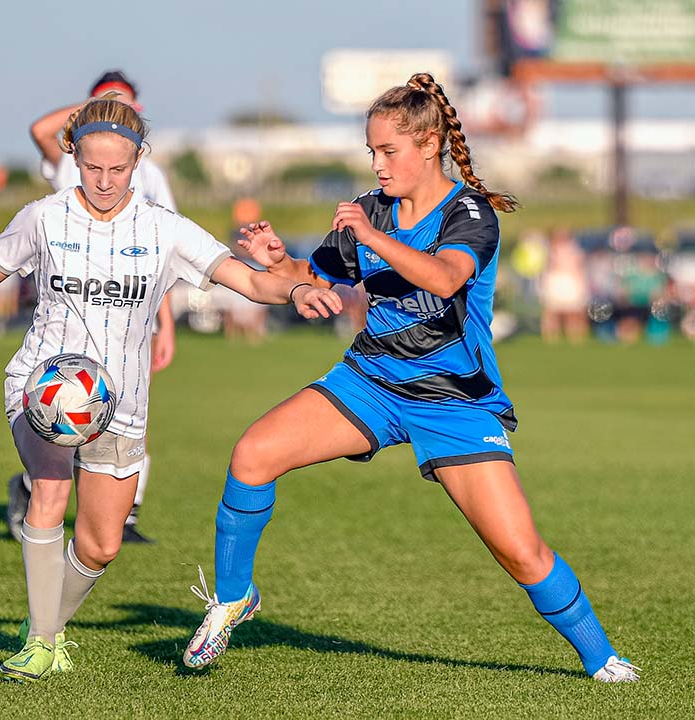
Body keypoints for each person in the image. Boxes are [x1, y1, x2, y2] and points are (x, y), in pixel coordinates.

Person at [181, 73, 638, 683]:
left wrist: (373, 237)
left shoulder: (469, 213)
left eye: (388, 150)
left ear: (428, 145)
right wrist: (279, 260)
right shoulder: (371, 209)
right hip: (370, 382)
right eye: (371, 151)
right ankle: (233, 600)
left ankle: (602, 658)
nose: (377, 164)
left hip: (454, 402)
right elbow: (315, 277)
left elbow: (445, 278)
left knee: (520, 552)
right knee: (253, 454)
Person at [0, 96, 341, 682]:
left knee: (101, 545)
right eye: (92, 167)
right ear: (73, 158)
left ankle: (47, 624)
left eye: (118, 168)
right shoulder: (43, 217)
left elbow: (248, 281)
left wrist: (295, 290)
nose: (104, 181)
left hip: (122, 404)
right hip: (43, 387)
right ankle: (40, 641)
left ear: (138, 162)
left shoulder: (164, 229)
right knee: (49, 494)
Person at [9, 70, 177, 544]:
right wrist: (95, 108)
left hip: (126, 311)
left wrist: (165, 325)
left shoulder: (149, 174)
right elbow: (41, 130)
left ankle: (125, 516)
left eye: (128, 104)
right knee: (64, 409)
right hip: (72, 310)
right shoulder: (72, 157)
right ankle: (33, 489)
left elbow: (165, 254)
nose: (105, 179)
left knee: (124, 409)